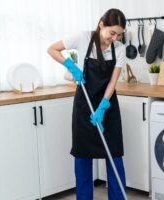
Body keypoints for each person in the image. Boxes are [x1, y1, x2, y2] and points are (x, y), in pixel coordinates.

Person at [47, 8, 127, 200]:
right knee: (83, 157)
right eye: (112, 33)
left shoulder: (120, 49)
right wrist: (70, 65)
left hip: (107, 106)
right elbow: (52, 49)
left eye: (119, 34)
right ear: (101, 25)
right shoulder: (83, 38)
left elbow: (112, 83)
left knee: (114, 155)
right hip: (84, 104)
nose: (115, 38)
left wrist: (102, 107)